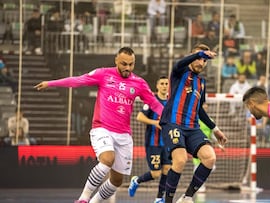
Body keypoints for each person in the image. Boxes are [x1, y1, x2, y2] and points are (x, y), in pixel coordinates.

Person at [34, 47, 164, 203]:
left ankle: (93, 202)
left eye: (131, 64)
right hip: (102, 128)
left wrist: (171, 118)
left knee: (117, 181)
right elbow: (78, 80)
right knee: (107, 159)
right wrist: (51, 83)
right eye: (124, 64)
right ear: (116, 60)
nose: (128, 68)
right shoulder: (103, 74)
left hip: (124, 135)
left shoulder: (139, 83)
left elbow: (154, 104)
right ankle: (83, 199)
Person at [159, 44, 227, 203]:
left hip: (192, 128)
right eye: (198, 58)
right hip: (172, 123)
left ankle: (187, 197)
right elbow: (180, 63)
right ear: (191, 57)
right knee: (180, 160)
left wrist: (215, 129)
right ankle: (168, 201)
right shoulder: (179, 72)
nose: (201, 62)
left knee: (210, 158)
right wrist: (201, 53)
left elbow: (200, 110)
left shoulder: (202, 83)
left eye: (204, 60)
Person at [128, 76, 170, 203]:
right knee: (156, 173)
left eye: (166, 83)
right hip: (153, 143)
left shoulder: (171, 102)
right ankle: (136, 180)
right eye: (161, 83)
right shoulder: (151, 101)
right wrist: (154, 122)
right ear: (157, 86)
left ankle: (159, 198)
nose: (164, 86)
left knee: (167, 170)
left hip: (167, 143)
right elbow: (140, 117)